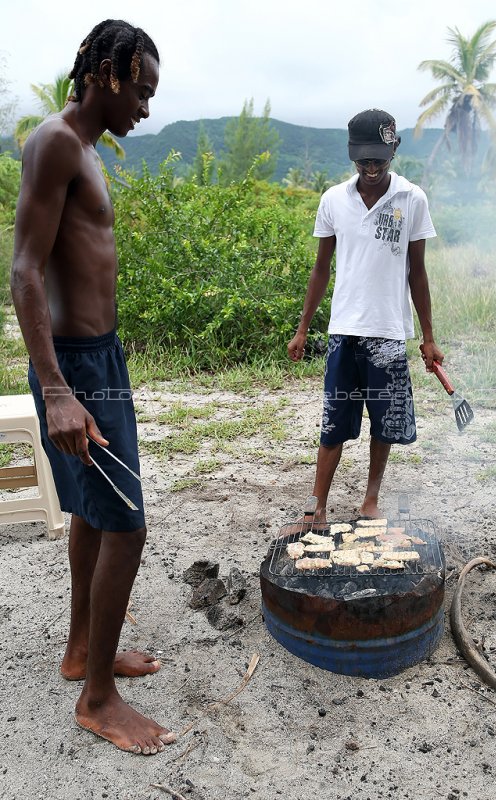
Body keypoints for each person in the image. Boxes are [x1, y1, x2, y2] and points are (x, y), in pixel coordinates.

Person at [11, 19, 175, 755]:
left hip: (98, 361)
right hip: (73, 371)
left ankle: (85, 652)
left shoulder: (86, 150)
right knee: (127, 524)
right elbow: (23, 272)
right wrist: (54, 391)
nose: (144, 107)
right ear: (108, 74)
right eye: (140, 90)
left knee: (93, 512)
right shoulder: (54, 142)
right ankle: (98, 699)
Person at [287, 108, 444, 522]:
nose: (372, 169)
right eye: (363, 161)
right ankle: (316, 506)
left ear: (394, 150)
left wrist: (428, 336)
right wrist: (303, 329)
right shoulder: (333, 200)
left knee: (385, 423)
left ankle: (370, 500)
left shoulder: (412, 199)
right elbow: (321, 269)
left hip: (389, 332)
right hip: (344, 331)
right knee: (334, 421)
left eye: (379, 159)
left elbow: (418, 272)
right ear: (351, 155)